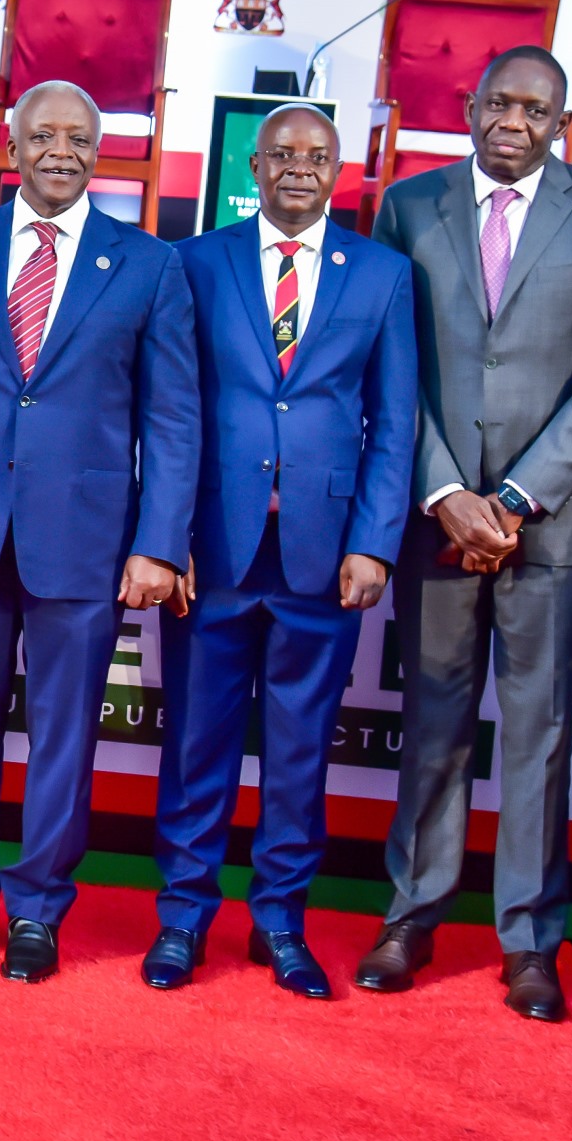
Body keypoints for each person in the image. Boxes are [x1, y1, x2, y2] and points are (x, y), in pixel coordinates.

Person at [0, 80, 198, 983]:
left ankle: (39, 911)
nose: (62, 149)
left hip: (87, 545)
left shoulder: (147, 264)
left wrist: (159, 541)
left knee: (65, 737)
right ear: (11, 148)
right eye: (44, 134)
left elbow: (173, 420)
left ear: (101, 153)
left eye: (81, 136)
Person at [359, 45, 572, 1021]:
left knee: (539, 734)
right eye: (498, 102)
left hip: (550, 529)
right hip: (437, 522)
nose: (512, 120)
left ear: (561, 121)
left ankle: (528, 938)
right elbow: (392, 362)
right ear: (471, 103)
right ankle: (411, 914)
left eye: (535, 108)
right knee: (433, 726)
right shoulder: (408, 205)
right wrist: (446, 492)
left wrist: (515, 500)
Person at [148, 104, 417, 997]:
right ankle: (184, 918)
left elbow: (394, 422)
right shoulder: (193, 262)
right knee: (196, 745)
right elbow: (172, 413)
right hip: (212, 552)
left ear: (340, 170)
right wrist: (167, 534)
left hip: (323, 552)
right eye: (282, 155)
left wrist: (376, 541)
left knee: (300, 753)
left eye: (318, 156)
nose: (299, 168)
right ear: (253, 166)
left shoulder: (382, 275)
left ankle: (280, 924)